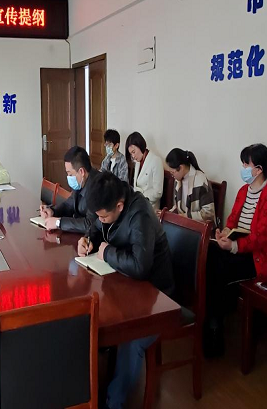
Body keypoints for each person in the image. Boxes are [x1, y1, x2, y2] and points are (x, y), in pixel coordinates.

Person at [79, 171, 174, 409]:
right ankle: (87, 390)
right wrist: (88, 239)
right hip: (125, 285)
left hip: (156, 297)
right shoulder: (111, 201)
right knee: (90, 319)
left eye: (103, 216)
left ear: (120, 206)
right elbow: (98, 227)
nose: (100, 219)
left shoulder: (140, 215)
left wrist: (107, 253)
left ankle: (114, 402)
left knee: (131, 338)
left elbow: (140, 267)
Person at [206, 143, 267, 356]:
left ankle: (214, 325)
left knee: (218, 267)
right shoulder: (244, 191)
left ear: (258, 169)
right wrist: (225, 232)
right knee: (210, 255)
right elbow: (233, 219)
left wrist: (233, 246)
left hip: (261, 256)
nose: (242, 169)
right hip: (242, 248)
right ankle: (213, 323)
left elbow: (261, 238)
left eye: (246, 165)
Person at [40, 146, 98, 232]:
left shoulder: (98, 187)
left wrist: (59, 223)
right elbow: (69, 205)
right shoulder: (81, 181)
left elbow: (90, 224)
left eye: (70, 174)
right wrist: (53, 211)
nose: (69, 177)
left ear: (81, 172)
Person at [165, 148, 216, 225]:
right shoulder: (178, 180)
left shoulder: (200, 180)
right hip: (183, 224)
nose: (172, 176)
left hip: (199, 226)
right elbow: (178, 207)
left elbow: (208, 214)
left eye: (172, 173)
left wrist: (185, 217)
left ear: (181, 167)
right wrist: (167, 214)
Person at [125, 132, 164, 210]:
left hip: (150, 206)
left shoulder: (156, 161)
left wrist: (141, 197)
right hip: (138, 202)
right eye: (131, 154)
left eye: (133, 152)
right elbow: (136, 186)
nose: (133, 156)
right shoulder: (138, 162)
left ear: (140, 145)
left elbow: (158, 192)